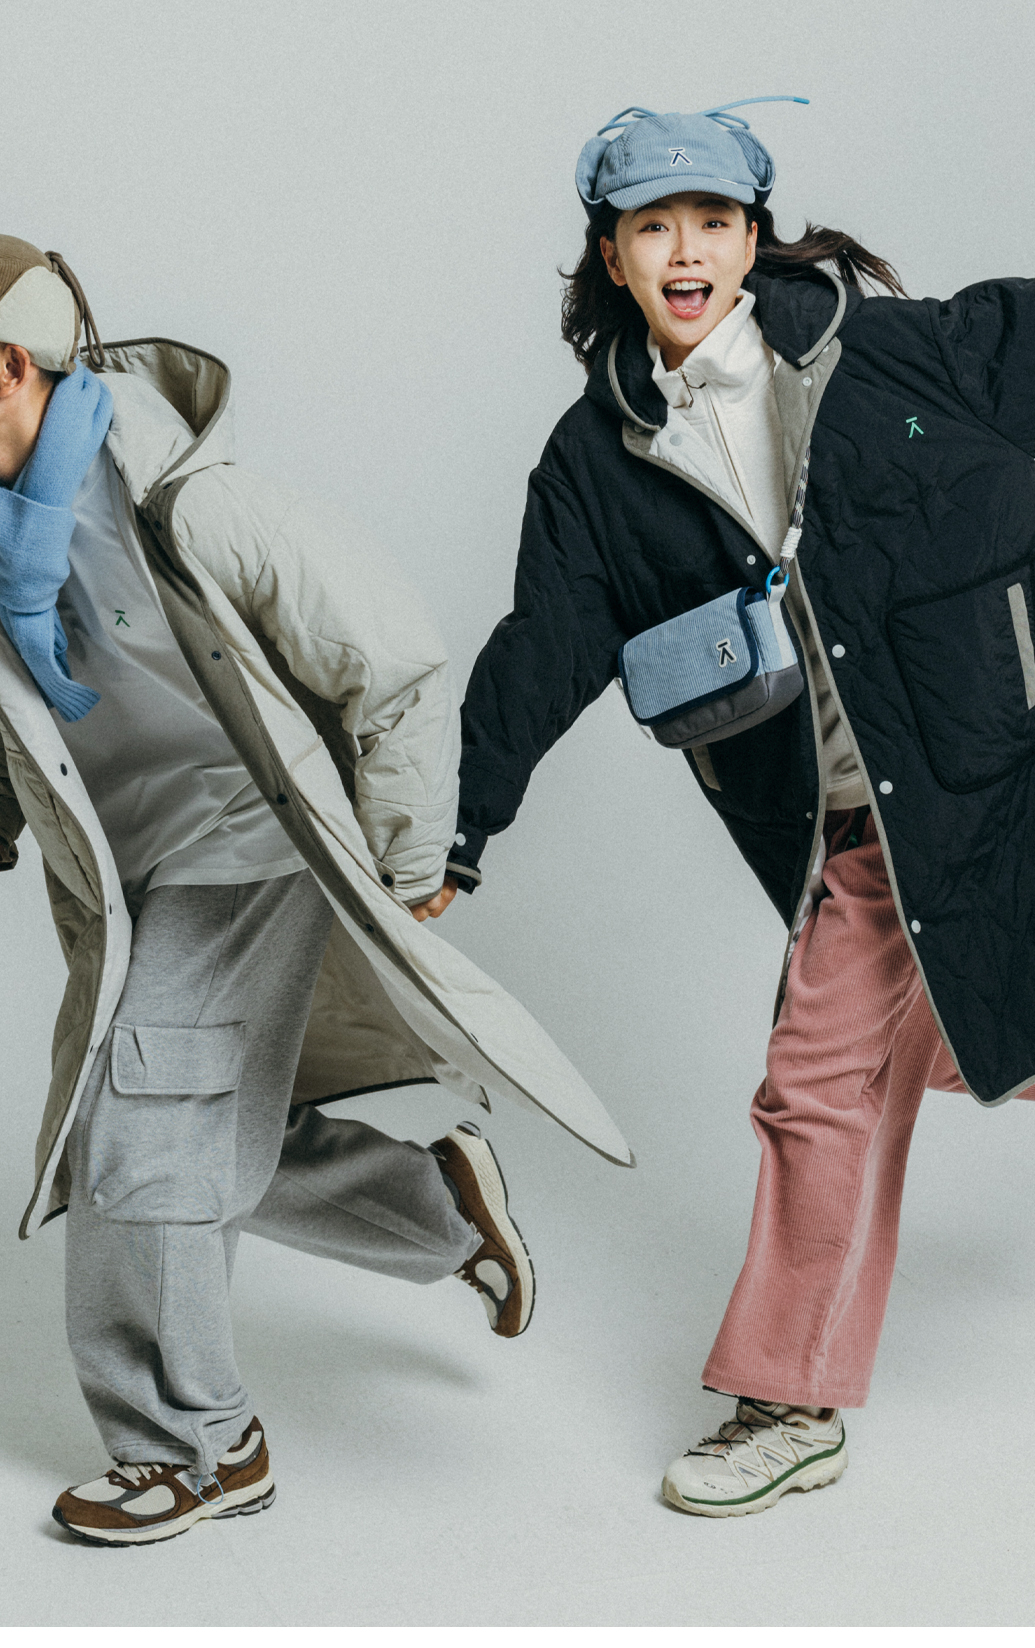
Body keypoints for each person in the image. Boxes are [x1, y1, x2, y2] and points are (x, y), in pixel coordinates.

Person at [444, 102, 1035, 1517]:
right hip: (848, 830)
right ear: (611, 255)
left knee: (892, 1059)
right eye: (653, 227)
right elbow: (545, 641)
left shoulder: (904, 355)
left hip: (1009, 781)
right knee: (856, 1074)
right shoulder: (596, 461)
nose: (686, 251)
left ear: (752, 239)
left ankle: (788, 1395)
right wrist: (460, 827)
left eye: (713, 222)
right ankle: (791, 1398)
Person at [0, 236, 630, 1547]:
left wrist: (406, 863)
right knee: (204, 1127)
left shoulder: (181, 497)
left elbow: (389, 657)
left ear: (12, 367)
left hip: (252, 842)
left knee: (139, 1142)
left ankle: (196, 1448)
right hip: (129, 876)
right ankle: (436, 1206)